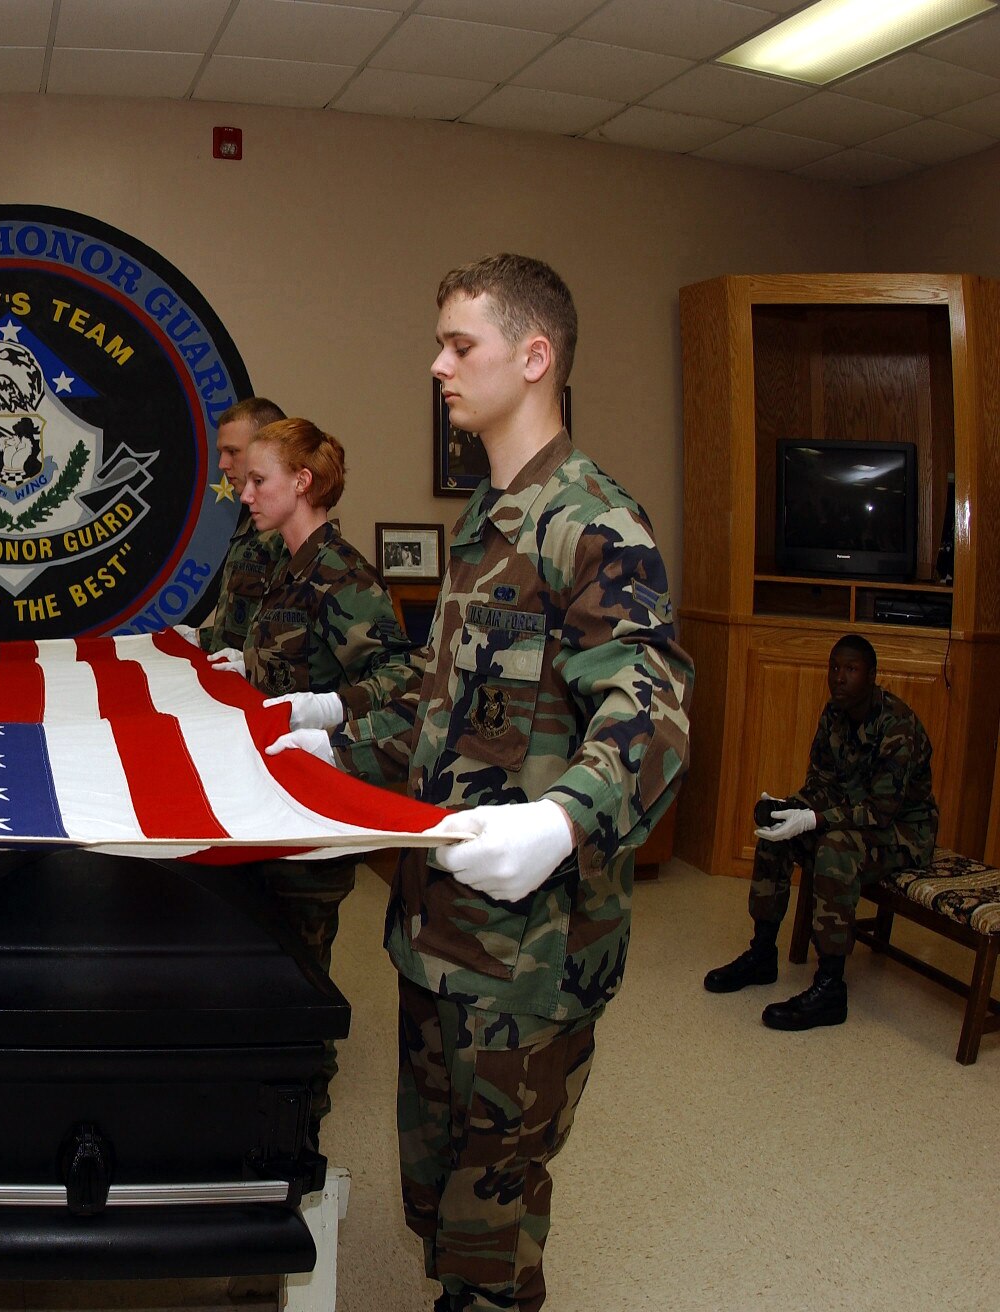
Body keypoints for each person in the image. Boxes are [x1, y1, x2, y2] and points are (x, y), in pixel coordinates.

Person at [276, 255, 692, 1312]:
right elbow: (445, 708)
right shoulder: (484, 517)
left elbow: (653, 706)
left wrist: (562, 821)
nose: (437, 365)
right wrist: (340, 735)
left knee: (491, 1230)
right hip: (436, 927)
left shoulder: (590, 519)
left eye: (459, 345)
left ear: (533, 354)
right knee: (438, 1199)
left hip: (528, 955)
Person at [214, 416, 416, 1146]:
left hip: (313, 805)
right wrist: (252, 668)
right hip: (271, 794)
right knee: (260, 958)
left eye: (260, 482)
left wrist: (331, 713)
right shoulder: (285, 563)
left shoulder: (342, 575)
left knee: (300, 968)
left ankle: (296, 1117)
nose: (247, 496)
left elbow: (402, 679)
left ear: (302, 483)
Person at [705, 634, 936, 1031]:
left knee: (834, 849)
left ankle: (830, 986)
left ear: (872, 675)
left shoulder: (898, 726)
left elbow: (881, 811)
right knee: (774, 834)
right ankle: (762, 953)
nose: (839, 678)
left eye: (851, 669)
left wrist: (814, 819)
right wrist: (790, 806)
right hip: (852, 817)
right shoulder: (834, 714)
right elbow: (822, 784)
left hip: (902, 832)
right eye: (834, 668)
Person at [195, 396, 288, 655]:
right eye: (221, 453)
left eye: (233, 452)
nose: (222, 464)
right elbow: (244, 627)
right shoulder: (252, 524)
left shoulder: (292, 535)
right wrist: (198, 638)